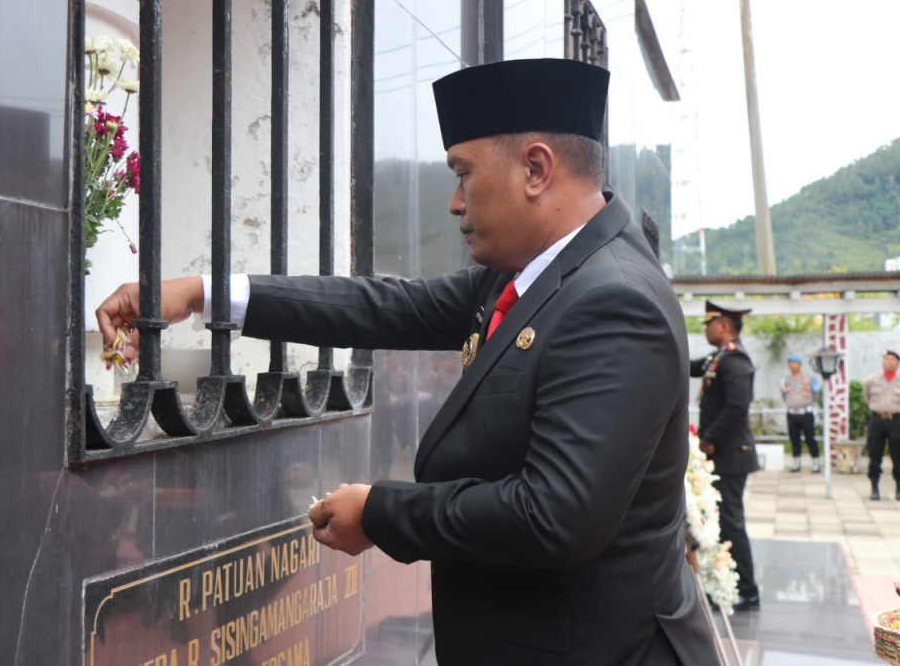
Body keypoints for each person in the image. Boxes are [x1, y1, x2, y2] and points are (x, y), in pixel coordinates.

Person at [97, 59, 718, 664]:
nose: (454, 202)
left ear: (535, 168)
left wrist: (380, 513)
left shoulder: (612, 298)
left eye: (463, 173)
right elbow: (383, 306)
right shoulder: (540, 273)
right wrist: (204, 294)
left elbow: (555, 516)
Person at [689, 300, 760, 611]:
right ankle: (725, 581)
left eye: (710, 323)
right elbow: (690, 366)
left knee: (732, 521)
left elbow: (736, 407)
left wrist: (710, 438)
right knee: (724, 520)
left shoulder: (735, 360)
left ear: (725, 326)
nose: (706, 329)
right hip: (725, 453)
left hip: (731, 454)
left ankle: (747, 590)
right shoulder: (719, 357)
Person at [863, 349, 900, 501]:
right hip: (877, 420)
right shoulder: (871, 380)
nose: (889, 362)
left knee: (898, 455)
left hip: (896, 421)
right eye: (887, 359)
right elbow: (867, 397)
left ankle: (898, 488)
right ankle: (874, 487)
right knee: (874, 454)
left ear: (898, 363)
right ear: (882, 362)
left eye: (893, 359)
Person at [780, 353, 821, 473]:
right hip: (792, 413)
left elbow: (815, 393)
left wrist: (809, 403)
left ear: (800, 365)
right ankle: (796, 462)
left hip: (806, 413)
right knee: (794, 439)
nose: (791, 365)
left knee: (810, 438)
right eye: (790, 363)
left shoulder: (808, 378)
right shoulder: (785, 380)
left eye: (794, 363)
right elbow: (783, 395)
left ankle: (815, 462)